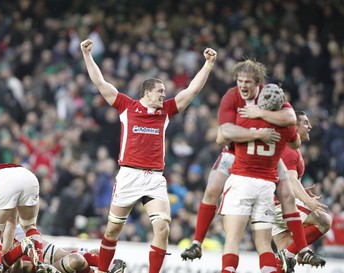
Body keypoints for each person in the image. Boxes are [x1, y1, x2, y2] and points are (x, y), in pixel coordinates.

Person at [80, 38, 217, 273]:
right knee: (112, 231)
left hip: (154, 178)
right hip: (129, 176)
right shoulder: (126, 106)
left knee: (162, 227)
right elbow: (101, 83)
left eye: (164, 91)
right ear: (146, 92)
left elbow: (192, 90)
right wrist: (87, 56)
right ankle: (102, 271)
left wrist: (208, 65)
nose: (164, 95)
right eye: (160, 91)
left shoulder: (166, 112)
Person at [181, 60, 325, 268]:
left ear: (258, 84)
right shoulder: (234, 96)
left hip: (249, 164)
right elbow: (224, 136)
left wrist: (258, 117)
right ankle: (197, 242)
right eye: (240, 81)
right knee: (214, 189)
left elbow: (222, 135)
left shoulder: (265, 100)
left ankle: (301, 249)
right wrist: (258, 132)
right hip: (240, 153)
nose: (243, 86)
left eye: (248, 82)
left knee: (284, 195)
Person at [217, 83, 299, 272]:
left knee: (232, 240)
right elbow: (296, 142)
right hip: (266, 187)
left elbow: (221, 138)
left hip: (242, 181)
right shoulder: (286, 126)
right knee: (263, 245)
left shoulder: (244, 118)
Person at [273, 111, 332, 273]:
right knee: (324, 220)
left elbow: (284, 180)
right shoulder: (289, 150)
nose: (310, 126)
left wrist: (301, 192)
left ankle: (288, 254)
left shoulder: (290, 148)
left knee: (284, 266)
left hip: (270, 206)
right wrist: (308, 201)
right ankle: (292, 253)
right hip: (280, 206)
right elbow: (291, 181)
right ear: (293, 127)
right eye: (305, 123)